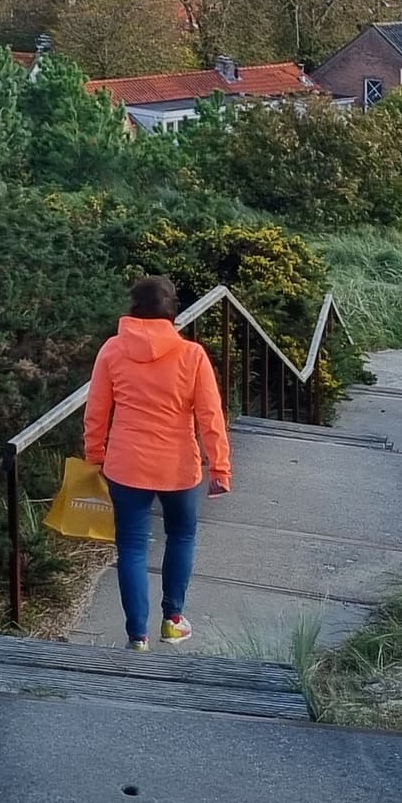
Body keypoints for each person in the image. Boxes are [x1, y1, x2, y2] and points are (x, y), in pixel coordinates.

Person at [81, 273, 232, 650]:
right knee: (181, 536)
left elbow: (96, 411)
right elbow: (210, 415)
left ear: (133, 307)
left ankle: (137, 635)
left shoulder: (112, 350)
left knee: (131, 547)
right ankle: (173, 619)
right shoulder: (192, 354)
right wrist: (220, 466)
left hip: (125, 465)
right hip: (178, 466)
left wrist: (95, 455)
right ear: (171, 310)